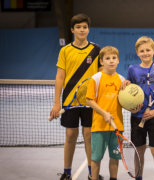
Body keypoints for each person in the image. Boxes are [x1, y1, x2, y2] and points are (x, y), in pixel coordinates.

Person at [49, 13, 103, 180]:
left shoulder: (96, 50)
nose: (82, 30)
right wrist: (57, 103)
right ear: (72, 30)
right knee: (71, 136)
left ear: (88, 29)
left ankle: (91, 173)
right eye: (78, 27)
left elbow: (101, 75)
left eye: (84, 27)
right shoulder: (65, 51)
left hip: (90, 102)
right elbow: (60, 77)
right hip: (69, 101)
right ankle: (67, 172)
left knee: (89, 137)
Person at [86, 46, 139, 180]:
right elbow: (89, 100)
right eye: (107, 58)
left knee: (115, 158)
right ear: (102, 62)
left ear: (118, 60)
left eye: (114, 58)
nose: (111, 61)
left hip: (117, 127)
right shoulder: (96, 79)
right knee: (96, 159)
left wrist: (132, 109)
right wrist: (104, 113)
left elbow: (123, 102)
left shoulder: (121, 80)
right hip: (99, 126)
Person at [126, 36, 154, 180]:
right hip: (137, 117)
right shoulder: (132, 69)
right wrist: (131, 107)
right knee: (139, 150)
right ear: (137, 53)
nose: (145, 53)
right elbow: (128, 93)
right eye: (142, 51)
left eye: (148, 50)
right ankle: (138, 178)